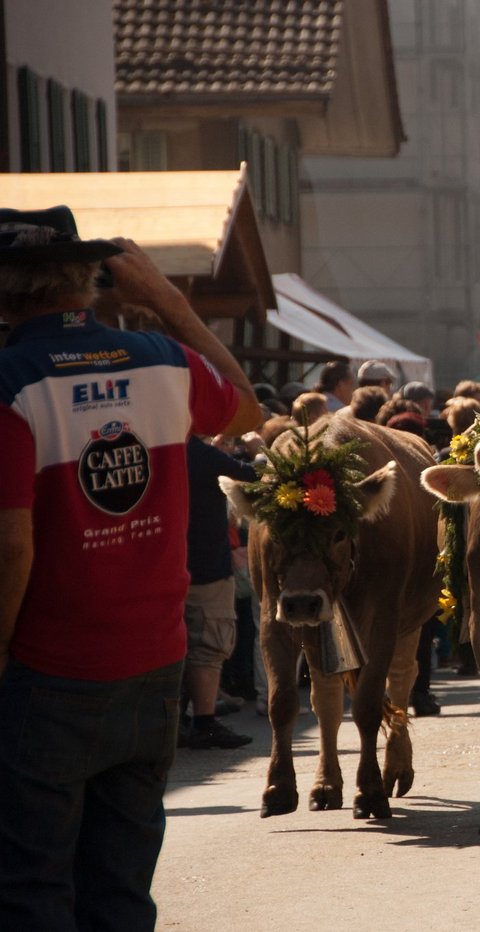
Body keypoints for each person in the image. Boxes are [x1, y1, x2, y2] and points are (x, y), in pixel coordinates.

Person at [0, 212, 261, 929]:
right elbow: (247, 409)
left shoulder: (11, 380)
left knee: (32, 886)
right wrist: (174, 305)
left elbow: (12, 548)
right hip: (152, 661)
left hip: (48, 668)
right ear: (88, 279)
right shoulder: (160, 359)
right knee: (121, 887)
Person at [182, 436, 257, 748]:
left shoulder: (152, 445)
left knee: (173, 651)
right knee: (209, 648)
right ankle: (204, 723)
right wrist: (259, 454)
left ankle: (175, 723)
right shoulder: (200, 453)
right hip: (206, 568)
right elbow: (253, 476)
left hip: (162, 566)